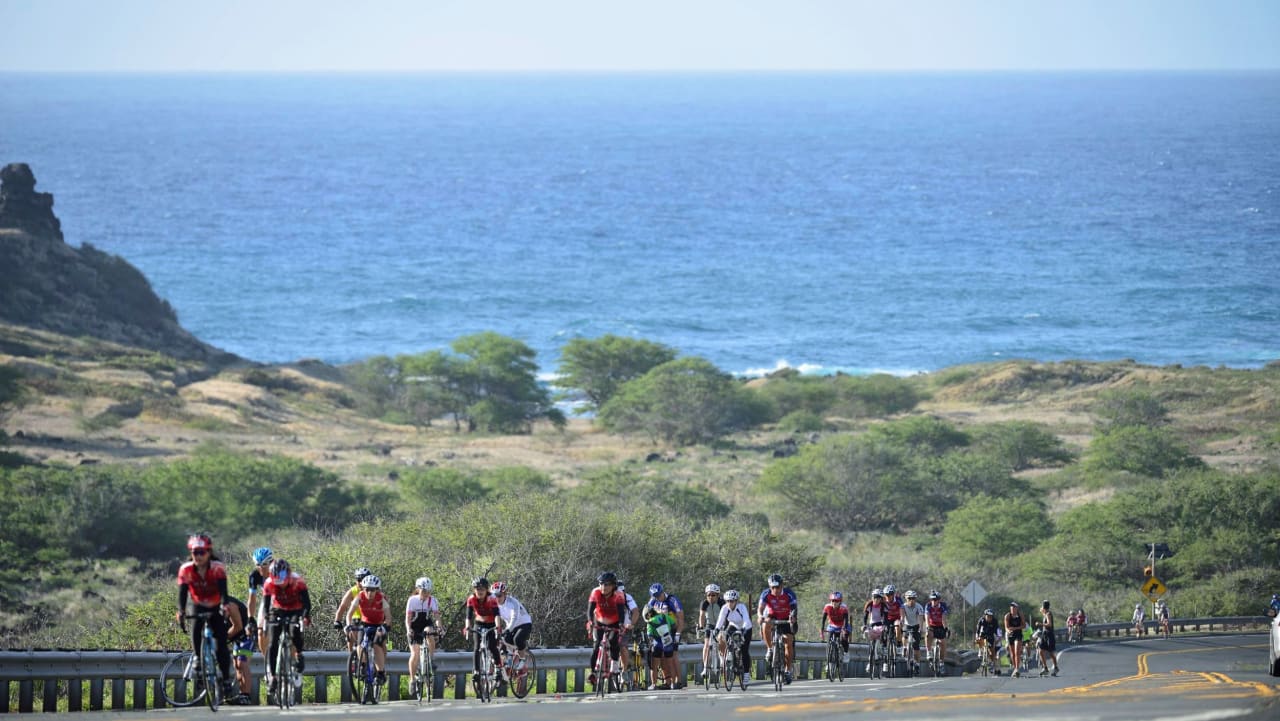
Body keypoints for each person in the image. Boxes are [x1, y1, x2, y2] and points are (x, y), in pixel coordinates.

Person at [175, 534, 237, 702]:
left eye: (202, 552)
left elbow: (224, 593)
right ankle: (197, 656)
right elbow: (182, 594)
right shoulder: (186, 570)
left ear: (209, 552)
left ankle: (225, 680)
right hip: (198, 603)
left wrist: (225, 606)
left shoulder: (217, 568)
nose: (198, 556)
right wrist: (180, 611)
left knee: (221, 645)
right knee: (195, 627)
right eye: (195, 552)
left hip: (216, 604)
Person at [261, 558, 312, 701]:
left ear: (288, 574)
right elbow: (266, 606)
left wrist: (305, 616)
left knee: (295, 630)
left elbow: (307, 604)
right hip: (278, 609)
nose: (280, 582)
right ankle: (273, 677)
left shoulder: (298, 581)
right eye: (276, 578)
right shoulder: (268, 584)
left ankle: (299, 655)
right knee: (272, 643)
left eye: (282, 578)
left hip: (296, 609)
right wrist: (267, 618)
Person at [586, 571, 631, 687]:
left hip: (614, 621)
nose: (603, 587)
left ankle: (615, 667)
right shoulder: (595, 592)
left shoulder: (619, 595)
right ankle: (593, 673)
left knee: (613, 642)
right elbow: (590, 611)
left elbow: (621, 612)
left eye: (607, 585)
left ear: (613, 586)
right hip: (599, 620)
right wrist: (590, 622)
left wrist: (621, 624)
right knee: (596, 645)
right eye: (601, 584)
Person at [346, 574, 392, 687]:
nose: (369, 593)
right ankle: (362, 665)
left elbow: (389, 616)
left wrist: (385, 627)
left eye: (372, 590)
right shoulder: (360, 596)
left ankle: (380, 673)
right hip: (365, 624)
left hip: (379, 625)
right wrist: (348, 625)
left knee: (377, 645)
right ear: (363, 588)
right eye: (367, 589)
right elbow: (349, 614)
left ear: (377, 589)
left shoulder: (381, 598)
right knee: (360, 645)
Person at [643, 582, 686, 688]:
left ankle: (678, 681)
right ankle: (667, 681)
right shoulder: (653, 600)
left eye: (659, 595)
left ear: (663, 592)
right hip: (660, 632)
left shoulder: (672, 600)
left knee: (673, 655)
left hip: (672, 631)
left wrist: (678, 633)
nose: (657, 598)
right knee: (661, 657)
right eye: (655, 596)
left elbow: (681, 618)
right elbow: (646, 615)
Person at [758, 573, 798, 684]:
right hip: (773, 615)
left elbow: (794, 608)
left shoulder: (789, 593)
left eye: (778, 587)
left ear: (782, 586)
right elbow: (760, 608)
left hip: (787, 617)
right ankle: (770, 649)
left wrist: (792, 618)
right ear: (770, 587)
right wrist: (760, 616)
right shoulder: (766, 594)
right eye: (773, 587)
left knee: (788, 643)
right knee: (765, 624)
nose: (775, 590)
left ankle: (787, 670)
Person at [463, 577, 504, 685]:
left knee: (492, 646)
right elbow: (468, 616)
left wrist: (498, 627)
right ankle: (476, 671)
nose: (480, 592)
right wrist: (467, 627)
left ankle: (498, 667)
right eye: (477, 589)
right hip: (479, 623)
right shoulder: (471, 599)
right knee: (476, 647)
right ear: (474, 590)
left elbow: (496, 614)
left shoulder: (492, 598)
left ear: (486, 590)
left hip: (491, 623)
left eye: (482, 589)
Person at [405, 577, 441, 698]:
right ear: (418, 589)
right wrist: (408, 630)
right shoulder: (412, 600)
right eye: (423, 591)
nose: (426, 594)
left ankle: (430, 659)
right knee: (414, 654)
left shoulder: (433, 600)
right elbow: (408, 619)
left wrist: (439, 627)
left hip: (426, 624)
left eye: (428, 591)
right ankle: (412, 680)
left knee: (429, 632)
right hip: (414, 626)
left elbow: (436, 617)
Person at [492, 581, 533, 677]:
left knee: (517, 639)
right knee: (504, 638)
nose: (497, 598)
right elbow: (496, 616)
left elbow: (515, 618)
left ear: (505, 594)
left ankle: (523, 660)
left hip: (524, 623)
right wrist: (497, 629)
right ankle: (514, 654)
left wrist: (507, 629)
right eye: (495, 596)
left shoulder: (512, 603)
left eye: (499, 595)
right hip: (511, 625)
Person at [715, 589, 753, 685]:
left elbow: (746, 620)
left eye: (732, 601)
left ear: (736, 601)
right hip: (733, 625)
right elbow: (720, 620)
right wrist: (716, 629)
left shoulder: (741, 607)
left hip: (745, 627)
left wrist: (743, 630)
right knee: (726, 635)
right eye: (727, 601)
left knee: (744, 650)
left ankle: (746, 673)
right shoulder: (724, 608)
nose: (729, 603)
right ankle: (730, 654)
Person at [333, 567, 373, 654]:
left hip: (370, 618)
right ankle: (351, 655)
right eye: (358, 579)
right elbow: (342, 607)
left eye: (363, 579)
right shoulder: (353, 591)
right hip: (356, 618)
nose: (361, 582)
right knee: (350, 633)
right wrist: (337, 620)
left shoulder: (373, 591)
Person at [224, 594, 255, 703]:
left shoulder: (230, 605)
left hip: (247, 635)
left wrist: (223, 638)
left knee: (242, 662)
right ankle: (242, 694)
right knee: (237, 666)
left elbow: (238, 626)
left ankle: (246, 695)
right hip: (237, 638)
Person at [246, 547, 273, 669]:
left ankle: (293, 660)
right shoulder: (254, 575)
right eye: (258, 565)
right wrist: (250, 618)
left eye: (265, 564)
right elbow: (252, 599)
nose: (261, 568)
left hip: (283, 599)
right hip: (267, 600)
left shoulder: (278, 571)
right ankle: (268, 662)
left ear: (271, 562)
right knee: (260, 631)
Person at [646, 600, 680, 689]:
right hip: (668, 642)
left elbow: (650, 635)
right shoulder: (665, 616)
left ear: (648, 615)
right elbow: (674, 624)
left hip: (658, 644)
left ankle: (654, 684)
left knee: (654, 665)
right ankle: (673, 683)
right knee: (670, 663)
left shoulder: (650, 622)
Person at [698, 584, 723, 681]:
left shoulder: (722, 602)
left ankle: (722, 659)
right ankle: (705, 668)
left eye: (713, 595)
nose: (711, 597)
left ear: (717, 595)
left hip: (721, 624)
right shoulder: (704, 603)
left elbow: (726, 614)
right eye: (708, 595)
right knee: (707, 645)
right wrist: (701, 626)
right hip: (710, 624)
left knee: (721, 639)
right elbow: (702, 615)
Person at [617, 582, 640, 679]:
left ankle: (624, 670)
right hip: (611, 625)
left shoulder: (628, 597)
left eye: (622, 592)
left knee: (622, 646)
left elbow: (635, 611)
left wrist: (632, 624)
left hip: (625, 626)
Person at [899, 590, 927, 673]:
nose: (911, 600)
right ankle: (904, 648)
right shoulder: (903, 606)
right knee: (904, 636)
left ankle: (917, 664)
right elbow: (902, 617)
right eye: (909, 598)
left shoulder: (919, 607)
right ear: (906, 599)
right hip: (907, 625)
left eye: (913, 598)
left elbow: (921, 619)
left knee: (916, 647)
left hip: (916, 625)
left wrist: (920, 629)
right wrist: (902, 624)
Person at [924, 591, 950, 676]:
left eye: (935, 600)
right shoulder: (928, 606)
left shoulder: (943, 606)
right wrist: (928, 627)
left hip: (940, 625)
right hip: (931, 625)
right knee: (928, 634)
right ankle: (929, 652)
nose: (933, 601)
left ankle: (942, 662)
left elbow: (944, 619)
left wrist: (946, 628)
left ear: (939, 600)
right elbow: (927, 618)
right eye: (932, 600)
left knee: (943, 643)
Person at [821, 591, 852, 663]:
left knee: (843, 639)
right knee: (829, 640)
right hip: (832, 625)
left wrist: (844, 630)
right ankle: (829, 661)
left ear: (840, 601)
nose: (834, 603)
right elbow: (823, 619)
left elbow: (846, 620)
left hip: (843, 625)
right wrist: (822, 628)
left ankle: (846, 653)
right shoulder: (827, 607)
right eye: (832, 601)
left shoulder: (843, 608)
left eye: (836, 601)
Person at [975, 608, 1001, 675]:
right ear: (985, 615)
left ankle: (991, 663)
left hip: (990, 635)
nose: (989, 618)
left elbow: (997, 631)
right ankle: (980, 651)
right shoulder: (981, 620)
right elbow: (977, 631)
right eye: (988, 616)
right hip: (982, 634)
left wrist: (998, 638)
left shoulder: (994, 621)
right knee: (979, 639)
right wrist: (977, 637)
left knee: (992, 651)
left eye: (990, 616)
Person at [1038, 600, 1060, 676]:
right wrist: (1042, 611)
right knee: (1040, 651)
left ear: (1044, 607)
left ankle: (1056, 667)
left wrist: (1040, 624)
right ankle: (1045, 668)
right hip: (1044, 635)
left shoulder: (1048, 614)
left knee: (1051, 653)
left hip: (1049, 635)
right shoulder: (1045, 613)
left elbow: (1049, 624)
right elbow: (1041, 610)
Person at [1004, 601, 1026, 677]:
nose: (1013, 609)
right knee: (1012, 654)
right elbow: (1006, 627)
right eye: (1011, 607)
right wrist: (1009, 631)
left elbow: (1024, 626)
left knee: (1017, 652)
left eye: (1014, 607)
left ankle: (1017, 669)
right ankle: (1015, 668)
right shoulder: (1007, 616)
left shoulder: (1021, 615)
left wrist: (1016, 628)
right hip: (1010, 635)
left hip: (1018, 634)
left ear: (1017, 608)